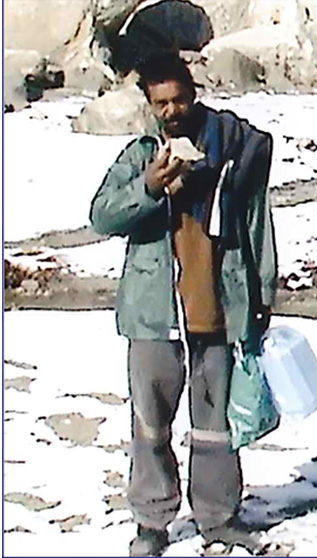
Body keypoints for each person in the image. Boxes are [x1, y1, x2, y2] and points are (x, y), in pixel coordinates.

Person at [89, 52, 276, 556]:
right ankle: (153, 520)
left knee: (214, 426)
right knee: (150, 421)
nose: (172, 110)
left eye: (179, 99)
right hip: (154, 312)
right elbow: (101, 216)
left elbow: (256, 224)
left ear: (194, 95)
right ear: (150, 105)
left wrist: (263, 294)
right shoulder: (141, 155)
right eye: (161, 103)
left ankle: (217, 517)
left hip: (217, 305)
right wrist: (150, 185)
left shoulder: (230, 149)